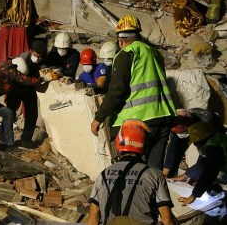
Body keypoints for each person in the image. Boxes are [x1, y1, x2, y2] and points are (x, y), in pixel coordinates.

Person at [90, 14, 176, 170]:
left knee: (133, 171)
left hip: (138, 122)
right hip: (163, 118)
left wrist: (98, 117)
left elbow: (117, 90)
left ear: (121, 40)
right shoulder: (155, 53)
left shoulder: (126, 54)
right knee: (153, 172)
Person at [88, 119, 174, 225]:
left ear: (118, 145)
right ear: (145, 146)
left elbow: (93, 219)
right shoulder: (154, 175)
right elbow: (167, 220)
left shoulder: (103, 175)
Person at [171, 121, 226, 206]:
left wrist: (194, 196)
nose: (195, 145)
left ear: (199, 141)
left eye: (195, 143)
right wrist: (186, 176)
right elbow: (204, 162)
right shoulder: (216, 139)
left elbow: (210, 171)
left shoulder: (213, 148)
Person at [6, 41, 48, 148]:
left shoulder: (43, 59)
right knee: (9, 113)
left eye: (40, 56)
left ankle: (26, 139)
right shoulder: (22, 59)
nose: (37, 58)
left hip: (30, 90)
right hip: (16, 88)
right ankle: (5, 139)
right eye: (35, 55)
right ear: (31, 51)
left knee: (32, 115)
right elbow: (21, 78)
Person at [163, 108, 224, 178]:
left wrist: (189, 176)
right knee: (177, 151)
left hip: (208, 131)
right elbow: (172, 149)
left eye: (181, 131)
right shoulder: (175, 123)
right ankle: (171, 174)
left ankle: (198, 177)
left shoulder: (207, 124)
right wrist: (165, 174)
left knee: (207, 160)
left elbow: (205, 158)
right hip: (191, 128)